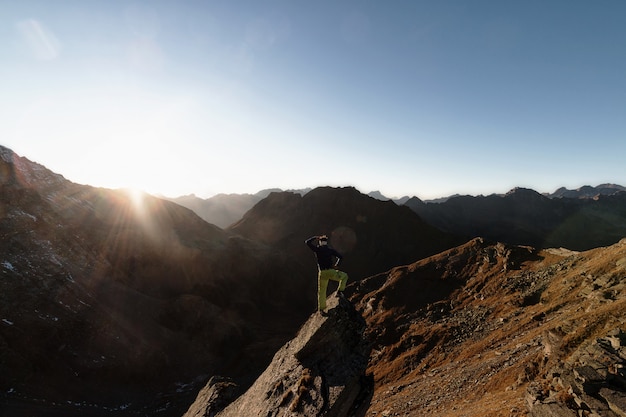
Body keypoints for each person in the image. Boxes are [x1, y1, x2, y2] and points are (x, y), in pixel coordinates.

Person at [305, 235, 349, 313]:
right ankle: (339, 291)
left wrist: (315, 237)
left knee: (321, 291)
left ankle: (321, 309)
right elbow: (340, 257)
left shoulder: (317, 250)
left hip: (322, 273)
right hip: (331, 271)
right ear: (326, 242)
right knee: (344, 276)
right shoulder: (330, 250)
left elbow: (307, 242)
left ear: (320, 242)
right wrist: (337, 265)